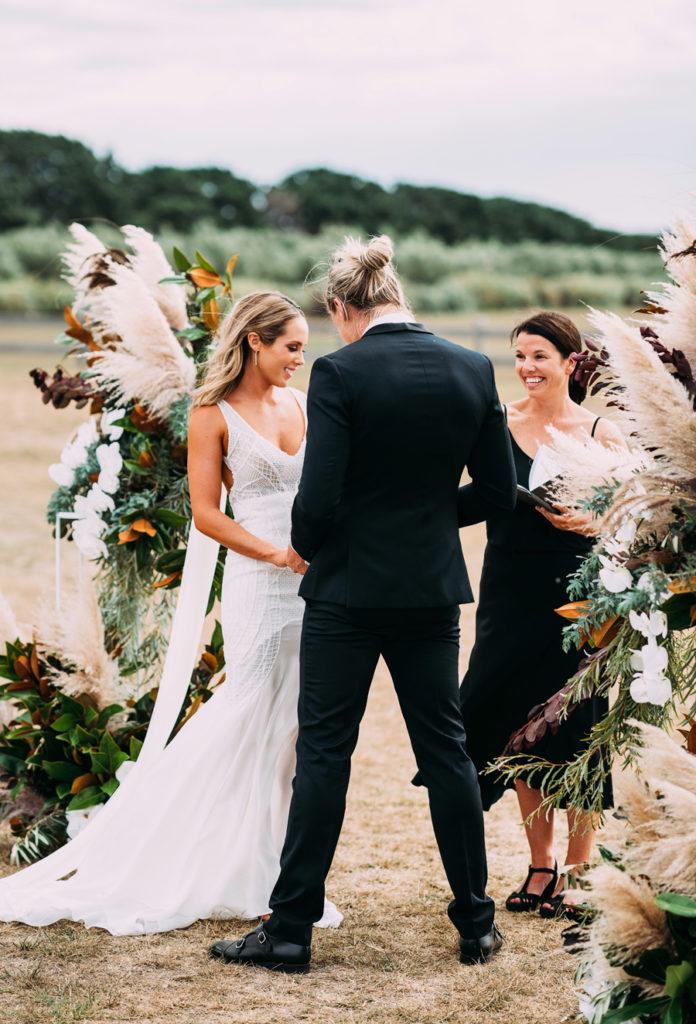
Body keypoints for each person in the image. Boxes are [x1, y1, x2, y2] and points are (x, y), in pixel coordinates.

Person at [209, 235, 516, 974]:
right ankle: (476, 924)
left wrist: (322, 539)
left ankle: (289, 932)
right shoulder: (472, 368)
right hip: (430, 592)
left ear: (343, 307)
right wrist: (431, 518)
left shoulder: (341, 372)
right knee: (447, 752)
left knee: (324, 754)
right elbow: (501, 493)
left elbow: (314, 502)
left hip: (345, 590)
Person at [0, 291, 342, 934]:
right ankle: (167, 851)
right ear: (254, 343)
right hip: (259, 580)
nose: (302, 357)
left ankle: (280, 874)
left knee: (298, 733)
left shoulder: (303, 404)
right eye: (291, 346)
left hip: (315, 587)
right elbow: (207, 513)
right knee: (248, 717)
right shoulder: (211, 415)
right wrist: (277, 554)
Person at [456, 311, 626, 920]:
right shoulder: (495, 422)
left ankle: (581, 868)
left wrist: (593, 521)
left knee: (577, 725)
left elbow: (632, 520)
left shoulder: (602, 433)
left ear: (570, 363)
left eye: (540, 357)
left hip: (580, 595)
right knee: (519, 723)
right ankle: (540, 862)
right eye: (520, 355)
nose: (527, 367)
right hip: (508, 591)